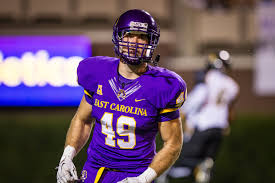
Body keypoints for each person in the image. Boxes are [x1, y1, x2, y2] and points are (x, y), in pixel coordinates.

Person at [56, 9, 187, 183]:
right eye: (130, 35)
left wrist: (143, 179)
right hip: (95, 170)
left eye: (142, 37)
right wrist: (67, 157)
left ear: (151, 42)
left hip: (137, 173)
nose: (135, 42)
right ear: (118, 38)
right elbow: (82, 119)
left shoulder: (163, 85)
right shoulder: (97, 72)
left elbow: (172, 144)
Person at [166, 50, 239, 183]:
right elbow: (230, 112)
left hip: (203, 126)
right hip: (219, 130)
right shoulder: (232, 85)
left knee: (181, 163)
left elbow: (197, 99)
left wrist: (180, 114)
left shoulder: (208, 78)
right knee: (205, 164)